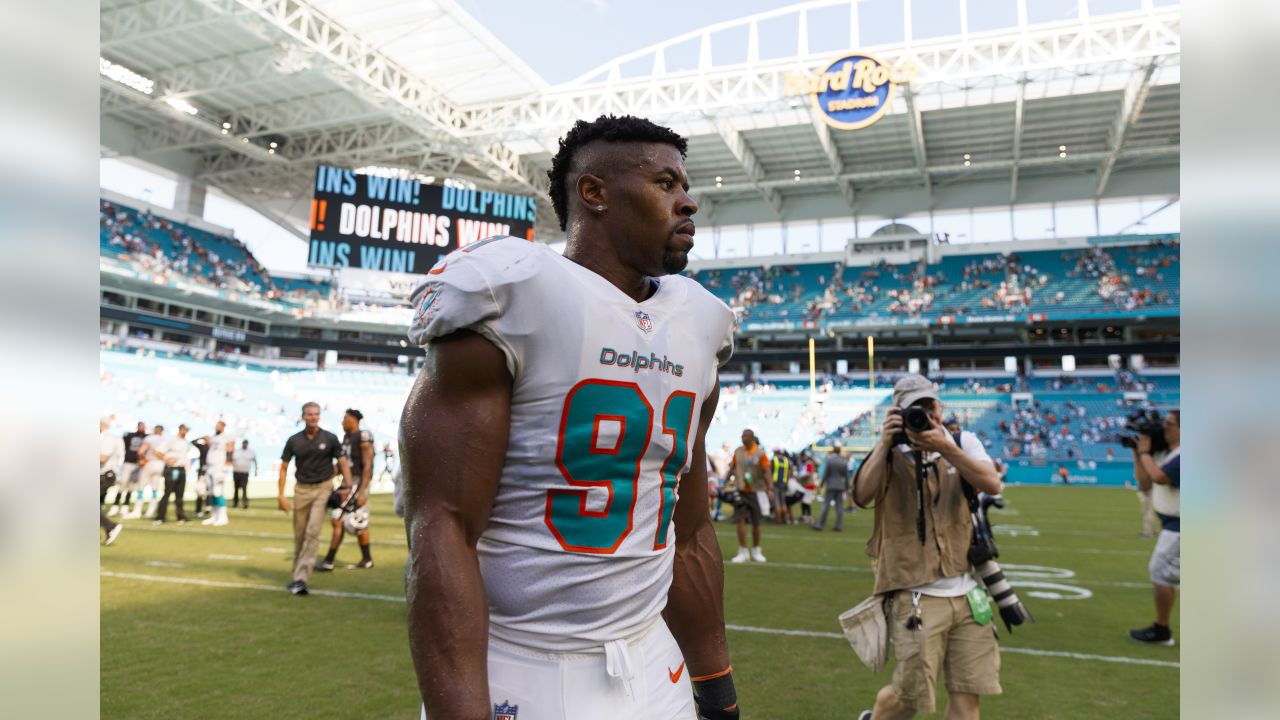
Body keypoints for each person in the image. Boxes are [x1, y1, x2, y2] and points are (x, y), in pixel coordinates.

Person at [402, 115, 741, 720]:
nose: (688, 201)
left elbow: (686, 532)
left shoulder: (701, 324)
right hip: (524, 664)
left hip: (653, 660)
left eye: (685, 184)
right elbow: (443, 526)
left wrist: (715, 685)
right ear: (595, 193)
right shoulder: (513, 293)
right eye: (665, 182)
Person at [851, 375, 1003, 719]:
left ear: (939, 407)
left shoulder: (963, 441)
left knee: (968, 696)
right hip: (915, 596)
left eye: (928, 406)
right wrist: (884, 444)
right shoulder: (889, 453)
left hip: (967, 592)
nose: (924, 415)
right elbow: (861, 495)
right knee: (909, 697)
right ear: (898, 413)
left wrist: (946, 447)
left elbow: (991, 483)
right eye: (913, 410)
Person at [279, 401, 352, 596]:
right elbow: (284, 467)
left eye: (316, 414)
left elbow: (343, 462)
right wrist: (281, 495)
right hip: (301, 489)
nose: (313, 417)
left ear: (319, 416)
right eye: (309, 414)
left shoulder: (330, 438)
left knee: (313, 531)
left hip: (323, 488)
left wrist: (347, 486)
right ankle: (297, 576)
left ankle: (302, 578)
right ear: (303, 416)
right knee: (300, 534)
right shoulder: (293, 440)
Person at [1128, 410, 1180, 645]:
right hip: (1171, 525)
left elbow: (1159, 477)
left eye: (1169, 423)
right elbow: (1145, 481)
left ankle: (1162, 629)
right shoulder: (1164, 453)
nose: (1164, 427)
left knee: (1160, 571)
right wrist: (1137, 455)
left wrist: (1145, 452)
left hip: (1180, 527)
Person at [317, 409, 375, 571]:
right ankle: (365, 559)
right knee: (341, 520)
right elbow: (344, 464)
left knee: (351, 521)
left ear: (353, 420)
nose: (342, 421)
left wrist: (363, 491)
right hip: (347, 482)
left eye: (345, 418)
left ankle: (330, 561)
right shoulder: (346, 438)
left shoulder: (363, 436)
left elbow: (368, 466)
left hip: (357, 483)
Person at [727, 429, 769, 563]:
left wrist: (770, 488)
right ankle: (743, 551)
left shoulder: (760, 453)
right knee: (740, 520)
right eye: (742, 435)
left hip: (756, 490)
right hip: (741, 490)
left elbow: (766, 470)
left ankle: (756, 550)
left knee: (756, 522)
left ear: (752, 437)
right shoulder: (738, 451)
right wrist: (725, 481)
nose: (742, 438)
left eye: (745, 436)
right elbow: (732, 467)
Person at [153, 424, 193, 525]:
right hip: (171, 469)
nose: (185, 432)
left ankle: (181, 517)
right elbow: (158, 452)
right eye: (184, 430)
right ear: (180, 429)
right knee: (167, 493)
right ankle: (160, 517)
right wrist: (166, 459)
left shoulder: (185, 442)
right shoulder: (171, 440)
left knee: (180, 495)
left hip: (181, 469)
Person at [107, 421, 146, 517]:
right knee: (122, 484)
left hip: (138, 464)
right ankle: (115, 506)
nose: (142, 428)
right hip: (128, 462)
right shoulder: (129, 435)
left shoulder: (146, 437)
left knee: (131, 487)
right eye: (140, 426)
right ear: (137, 426)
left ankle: (125, 506)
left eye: (143, 426)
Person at [202, 420, 235, 526]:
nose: (216, 427)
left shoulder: (227, 437)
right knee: (211, 493)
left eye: (218, 425)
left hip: (219, 468)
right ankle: (214, 515)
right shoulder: (213, 438)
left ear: (223, 426)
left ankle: (223, 517)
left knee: (218, 491)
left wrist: (227, 465)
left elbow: (230, 450)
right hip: (210, 467)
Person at [130, 424, 166, 519]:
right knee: (154, 489)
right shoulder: (166, 440)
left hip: (150, 463)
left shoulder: (150, 438)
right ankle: (150, 512)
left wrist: (142, 460)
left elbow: (141, 451)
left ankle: (137, 511)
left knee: (141, 488)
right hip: (161, 465)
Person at [812, 445, 850, 532]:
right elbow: (846, 476)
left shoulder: (830, 460)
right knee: (839, 507)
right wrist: (847, 487)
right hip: (840, 486)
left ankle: (820, 524)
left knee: (826, 505)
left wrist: (821, 484)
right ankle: (838, 526)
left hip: (831, 485)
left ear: (833, 451)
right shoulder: (843, 462)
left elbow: (826, 474)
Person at [99, 419, 124, 545]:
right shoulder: (113, 437)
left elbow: (103, 457)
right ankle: (109, 529)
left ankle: (111, 526)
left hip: (105, 475)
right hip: (106, 474)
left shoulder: (108, 437)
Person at [231, 439, 257, 509]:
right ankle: (235, 503)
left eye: (246, 443)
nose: (245, 445)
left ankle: (245, 503)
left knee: (244, 488)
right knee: (236, 488)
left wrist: (256, 470)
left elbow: (255, 461)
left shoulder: (251, 452)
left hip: (245, 473)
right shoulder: (237, 451)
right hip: (236, 472)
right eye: (244, 443)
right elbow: (232, 460)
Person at [771, 448, 793, 525]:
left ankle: (778, 520)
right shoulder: (786, 461)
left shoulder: (774, 460)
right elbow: (789, 473)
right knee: (783, 502)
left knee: (777, 502)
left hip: (775, 483)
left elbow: (770, 473)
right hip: (784, 483)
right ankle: (784, 519)